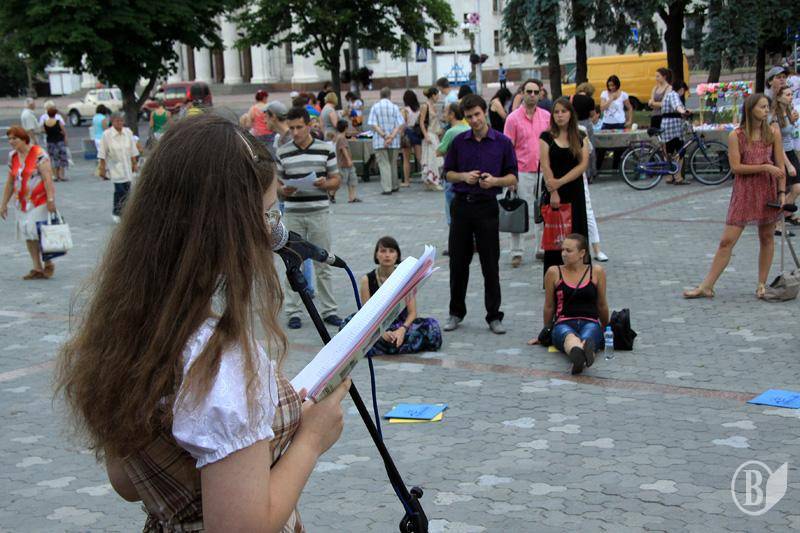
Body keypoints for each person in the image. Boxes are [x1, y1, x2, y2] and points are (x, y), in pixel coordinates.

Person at [54, 114, 350, 532]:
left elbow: (128, 483)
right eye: (267, 215)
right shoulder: (219, 362)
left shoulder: (130, 327)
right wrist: (311, 441)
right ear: (228, 229)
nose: (274, 233)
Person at [684, 94, 786, 300]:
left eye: (767, 107)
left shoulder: (773, 132)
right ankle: (706, 286)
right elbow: (736, 167)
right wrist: (765, 167)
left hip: (767, 190)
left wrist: (782, 193)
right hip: (744, 191)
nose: (766, 110)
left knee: (766, 237)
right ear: (750, 109)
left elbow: (780, 167)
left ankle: (761, 284)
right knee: (726, 241)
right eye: (762, 107)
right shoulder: (736, 135)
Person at [443, 94, 518, 335]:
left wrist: (495, 181)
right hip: (462, 206)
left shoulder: (502, 142)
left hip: (487, 207)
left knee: (490, 263)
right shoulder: (459, 141)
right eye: (469, 117)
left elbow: (512, 177)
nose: (474, 120)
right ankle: (456, 312)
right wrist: (464, 176)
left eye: (477, 114)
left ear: (484, 112)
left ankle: (494, 315)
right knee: (458, 262)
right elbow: (448, 173)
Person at [276, 106, 342, 329]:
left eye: (299, 127)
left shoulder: (325, 149)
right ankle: (293, 311)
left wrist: (325, 183)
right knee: (292, 262)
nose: (295, 132)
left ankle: (329, 310)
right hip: (293, 213)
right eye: (291, 128)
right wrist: (283, 190)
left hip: (318, 212)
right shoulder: (283, 152)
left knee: (323, 261)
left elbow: (336, 180)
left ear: (309, 125)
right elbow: (277, 185)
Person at [528, 234, 609, 375]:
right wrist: (545, 332)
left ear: (582, 253)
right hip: (563, 322)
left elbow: (601, 304)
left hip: (590, 321)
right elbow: (549, 306)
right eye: (563, 250)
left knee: (589, 335)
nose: (564, 254)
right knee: (569, 337)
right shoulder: (554, 272)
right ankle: (582, 354)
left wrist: (607, 328)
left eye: (569, 250)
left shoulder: (596, 272)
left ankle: (580, 356)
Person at [355, 236, 442, 355]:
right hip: (376, 325)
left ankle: (388, 344)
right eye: (383, 251)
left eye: (391, 251)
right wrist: (380, 333)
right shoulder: (367, 280)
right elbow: (365, 315)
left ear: (397, 255)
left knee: (432, 327)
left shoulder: (405, 276)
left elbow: (412, 312)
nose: (387, 255)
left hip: (401, 323)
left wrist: (402, 329)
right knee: (349, 326)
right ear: (376, 255)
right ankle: (389, 343)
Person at [540, 97, 591, 281]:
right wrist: (554, 190)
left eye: (563, 111)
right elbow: (545, 165)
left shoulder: (580, 135)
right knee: (556, 237)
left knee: (577, 233)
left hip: (574, 192)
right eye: (556, 112)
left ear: (571, 114)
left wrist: (560, 182)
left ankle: (580, 275)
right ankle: (555, 278)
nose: (560, 115)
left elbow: (583, 165)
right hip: (554, 192)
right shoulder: (546, 137)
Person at [503, 78, 551, 268]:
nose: (532, 95)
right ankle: (516, 252)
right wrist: (510, 176)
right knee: (518, 211)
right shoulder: (513, 118)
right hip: (521, 172)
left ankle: (542, 248)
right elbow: (507, 150)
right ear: (522, 93)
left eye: (536, 92)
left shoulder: (546, 116)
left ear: (540, 95)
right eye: (528, 91)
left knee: (543, 212)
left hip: (543, 170)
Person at [1, 126, 58, 280]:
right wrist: (3, 203)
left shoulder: (39, 154)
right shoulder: (13, 156)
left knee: (37, 232)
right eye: (9, 139)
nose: (11, 142)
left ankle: (48, 261)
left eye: (14, 138)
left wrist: (51, 199)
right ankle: (37, 267)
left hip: (38, 200)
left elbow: (47, 179)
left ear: (23, 138)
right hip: (21, 202)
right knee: (28, 234)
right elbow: (10, 182)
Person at [98, 112, 139, 223]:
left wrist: (134, 163)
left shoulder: (128, 132)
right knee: (119, 190)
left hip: (127, 166)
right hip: (115, 166)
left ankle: (126, 212)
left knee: (127, 190)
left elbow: (133, 150)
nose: (120, 123)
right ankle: (116, 212)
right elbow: (102, 153)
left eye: (121, 121)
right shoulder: (107, 135)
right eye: (117, 121)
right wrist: (102, 168)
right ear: (112, 122)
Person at [437, 103, 471, 235]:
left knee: (451, 207)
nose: (444, 115)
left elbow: (439, 151)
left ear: (452, 115)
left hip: (452, 173)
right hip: (468, 173)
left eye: (445, 112)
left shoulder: (451, 132)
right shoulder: (468, 128)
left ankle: (455, 236)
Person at [770, 86, 800, 227]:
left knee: (797, 188)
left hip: (790, 150)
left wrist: (792, 121)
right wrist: (788, 165)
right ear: (779, 97)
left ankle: (785, 215)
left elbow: (789, 134)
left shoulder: (788, 111)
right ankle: (776, 220)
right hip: (781, 154)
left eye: (791, 94)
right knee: (786, 189)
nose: (791, 97)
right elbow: (778, 143)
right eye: (787, 95)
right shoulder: (774, 117)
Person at [367, 87, 405, 195]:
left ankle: (387, 188)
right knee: (393, 163)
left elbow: (374, 124)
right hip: (394, 141)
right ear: (390, 95)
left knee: (384, 164)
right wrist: (391, 137)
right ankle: (394, 185)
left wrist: (384, 136)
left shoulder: (375, 107)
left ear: (380, 95)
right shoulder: (395, 107)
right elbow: (399, 124)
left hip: (380, 141)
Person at [596, 75, 633, 172]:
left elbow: (629, 108)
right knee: (602, 146)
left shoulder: (623, 95)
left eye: (613, 85)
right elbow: (602, 108)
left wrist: (629, 120)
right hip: (607, 123)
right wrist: (610, 99)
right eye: (609, 85)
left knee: (619, 147)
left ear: (617, 85)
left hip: (619, 123)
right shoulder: (604, 94)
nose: (611, 87)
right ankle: (597, 168)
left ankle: (616, 167)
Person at [659, 81, 690, 185]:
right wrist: (683, 111)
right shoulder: (674, 95)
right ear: (681, 89)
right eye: (684, 91)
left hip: (668, 126)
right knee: (679, 151)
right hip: (673, 128)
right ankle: (678, 177)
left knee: (669, 152)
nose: (683, 93)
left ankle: (670, 176)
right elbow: (677, 106)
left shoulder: (669, 95)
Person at [419, 87, 444, 191]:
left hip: (434, 134)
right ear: (433, 95)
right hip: (429, 134)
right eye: (437, 95)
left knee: (434, 158)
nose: (438, 97)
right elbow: (421, 122)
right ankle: (432, 181)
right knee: (431, 158)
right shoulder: (425, 106)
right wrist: (426, 135)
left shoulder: (433, 106)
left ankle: (431, 180)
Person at [572, 82, 597, 181]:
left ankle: (579, 172)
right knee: (590, 148)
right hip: (586, 124)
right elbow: (592, 114)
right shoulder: (590, 100)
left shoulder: (572, 98)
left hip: (575, 124)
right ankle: (591, 172)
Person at [334, 119, 360, 203]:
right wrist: (348, 160)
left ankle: (352, 197)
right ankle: (331, 193)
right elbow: (343, 149)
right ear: (345, 128)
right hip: (344, 163)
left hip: (345, 163)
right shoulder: (341, 138)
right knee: (341, 181)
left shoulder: (340, 136)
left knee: (352, 180)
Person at [400, 89, 422, 187]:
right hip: (417, 133)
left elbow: (403, 124)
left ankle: (407, 181)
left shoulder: (404, 110)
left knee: (406, 159)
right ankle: (429, 176)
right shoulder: (419, 110)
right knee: (420, 157)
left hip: (407, 134)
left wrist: (400, 134)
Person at [43, 107, 69, 182]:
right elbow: (64, 132)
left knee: (53, 159)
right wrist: (65, 139)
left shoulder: (45, 123)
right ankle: (62, 175)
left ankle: (55, 175)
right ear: (55, 114)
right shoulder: (58, 122)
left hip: (50, 142)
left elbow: (44, 131)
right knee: (62, 158)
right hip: (59, 141)